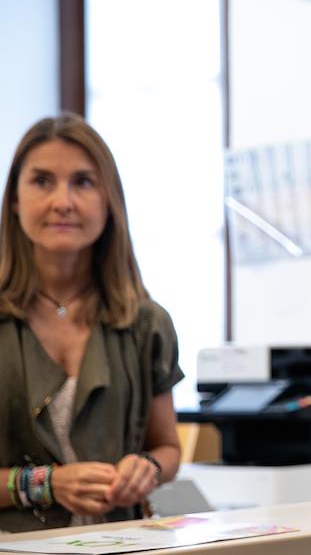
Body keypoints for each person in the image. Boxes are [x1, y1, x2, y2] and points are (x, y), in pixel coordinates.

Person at [0, 114, 182, 533]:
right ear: (15, 198)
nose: (62, 201)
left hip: (119, 540)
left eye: (83, 182)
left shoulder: (147, 323)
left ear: (109, 200)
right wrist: (44, 484)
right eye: (42, 181)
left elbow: (168, 447)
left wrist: (148, 468)